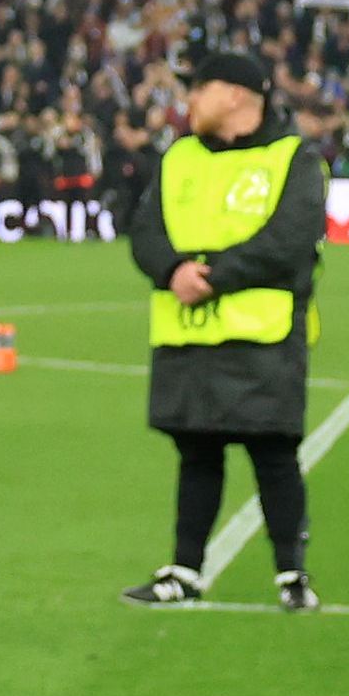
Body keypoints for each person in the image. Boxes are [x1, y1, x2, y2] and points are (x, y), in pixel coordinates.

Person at [116, 43, 327, 613]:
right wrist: (172, 270)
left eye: (199, 88)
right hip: (189, 335)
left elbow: (290, 240)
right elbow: (145, 230)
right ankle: (184, 571)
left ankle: (292, 575)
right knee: (197, 454)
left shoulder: (292, 157)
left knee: (274, 454)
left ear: (236, 94)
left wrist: (208, 275)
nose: (189, 100)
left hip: (263, 334)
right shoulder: (179, 155)